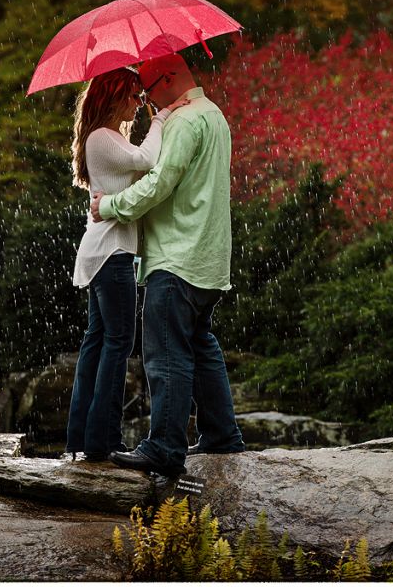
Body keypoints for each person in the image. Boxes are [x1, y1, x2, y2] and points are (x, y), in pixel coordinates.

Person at [90, 52, 245, 478]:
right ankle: (221, 435)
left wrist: (112, 206)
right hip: (209, 257)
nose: (147, 102)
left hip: (176, 256)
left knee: (165, 354)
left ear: (169, 78)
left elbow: (160, 183)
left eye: (149, 90)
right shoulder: (213, 115)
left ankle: (164, 447)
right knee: (200, 344)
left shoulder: (183, 121)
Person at [65, 66, 186, 462]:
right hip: (111, 254)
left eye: (140, 96)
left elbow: (136, 164)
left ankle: (84, 438)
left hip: (107, 253)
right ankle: (103, 441)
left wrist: (151, 118)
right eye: (134, 96)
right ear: (113, 97)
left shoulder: (107, 139)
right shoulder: (102, 138)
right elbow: (148, 159)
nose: (139, 103)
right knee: (117, 344)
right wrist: (163, 117)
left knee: (98, 342)